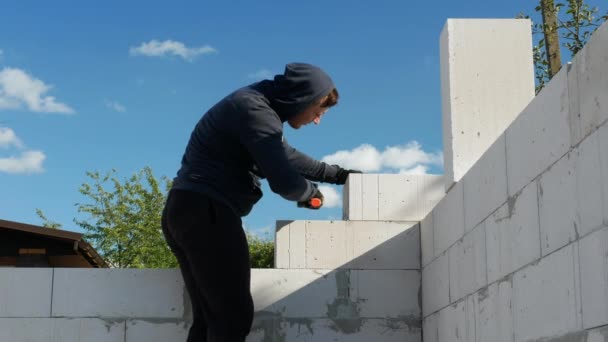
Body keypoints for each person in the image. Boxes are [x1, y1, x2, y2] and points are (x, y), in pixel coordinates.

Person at [161, 62, 361, 342]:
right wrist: (310, 193)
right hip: (208, 212)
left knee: (210, 321)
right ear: (302, 99)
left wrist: (337, 175)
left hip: (188, 210)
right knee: (232, 317)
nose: (318, 120)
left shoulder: (255, 107)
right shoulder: (254, 110)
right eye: (319, 110)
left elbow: (285, 155)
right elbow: (284, 181)